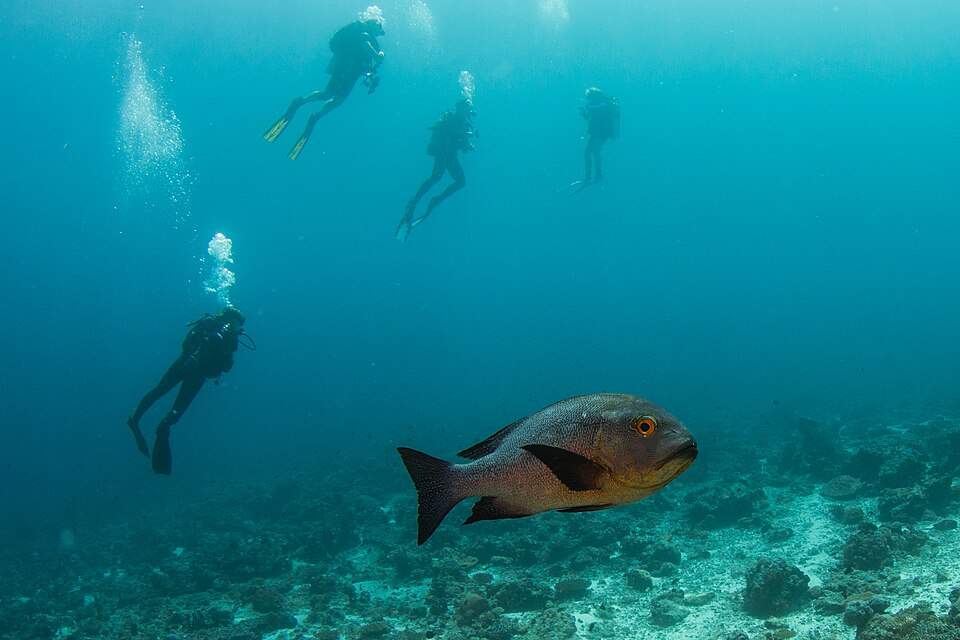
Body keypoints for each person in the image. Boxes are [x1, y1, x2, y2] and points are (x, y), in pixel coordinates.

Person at [126, 307, 246, 475]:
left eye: (237, 325)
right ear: (225, 318)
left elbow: (225, 367)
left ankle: (161, 431)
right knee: (159, 391)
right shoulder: (208, 324)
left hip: (199, 375)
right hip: (186, 364)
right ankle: (135, 420)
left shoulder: (231, 340)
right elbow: (186, 344)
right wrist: (204, 342)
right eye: (233, 322)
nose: (233, 327)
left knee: (175, 412)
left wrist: (223, 352)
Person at [263, 8, 386, 160]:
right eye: (379, 27)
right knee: (327, 94)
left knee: (338, 100)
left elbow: (368, 66)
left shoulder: (373, 41)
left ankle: (316, 116)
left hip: (352, 74)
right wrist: (377, 55)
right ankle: (300, 102)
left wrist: (372, 77)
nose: (380, 32)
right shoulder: (362, 31)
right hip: (344, 67)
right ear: (373, 24)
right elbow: (365, 44)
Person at [396, 99, 476, 241]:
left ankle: (434, 200)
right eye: (466, 108)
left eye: (468, 109)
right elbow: (452, 136)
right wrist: (464, 138)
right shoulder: (452, 119)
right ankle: (415, 202)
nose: (468, 112)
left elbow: (461, 143)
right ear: (460, 108)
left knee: (459, 181)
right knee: (436, 177)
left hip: (450, 155)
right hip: (443, 152)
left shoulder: (464, 123)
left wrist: (467, 144)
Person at [567, 87, 620, 194]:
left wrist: (586, 109)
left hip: (600, 133)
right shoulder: (597, 105)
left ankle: (596, 176)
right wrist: (583, 112)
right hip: (596, 133)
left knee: (594, 152)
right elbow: (590, 117)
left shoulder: (601, 104)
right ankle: (591, 176)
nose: (587, 99)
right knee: (589, 153)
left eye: (588, 97)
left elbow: (595, 111)